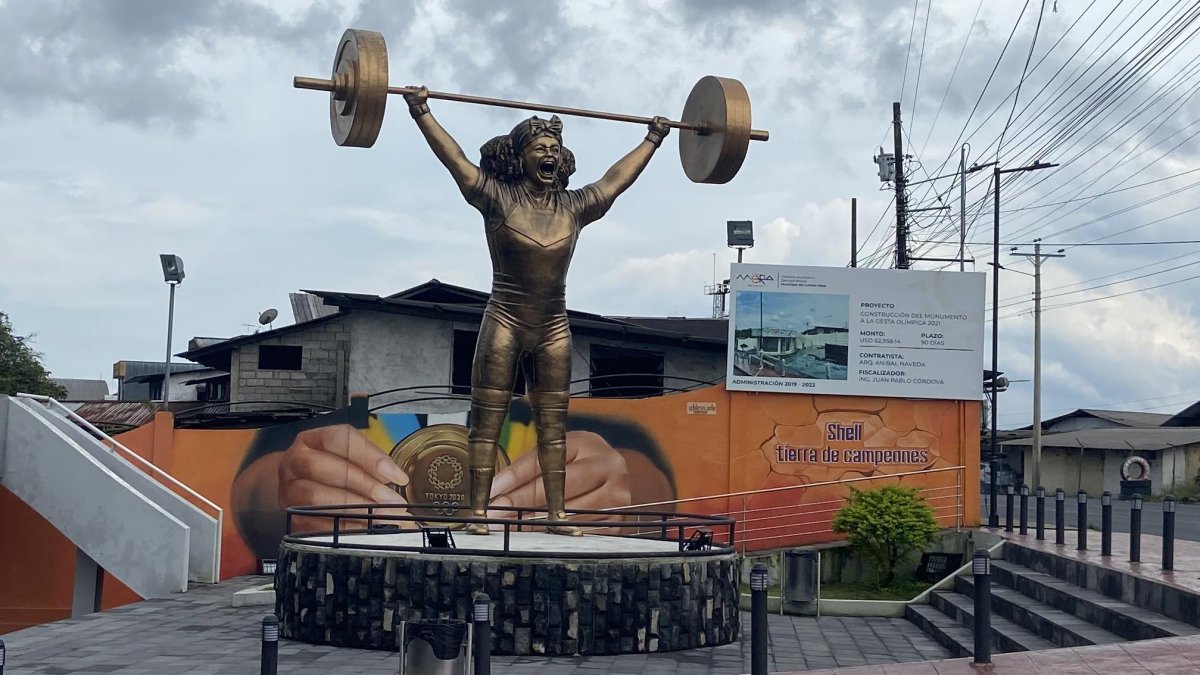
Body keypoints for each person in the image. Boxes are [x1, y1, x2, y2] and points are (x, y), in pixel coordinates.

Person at [403, 85, 670, 535]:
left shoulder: (574, 206)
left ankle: (557, 514)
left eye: (555, 148)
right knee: (486, 425)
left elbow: (615, 181)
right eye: (540, 147)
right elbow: (456, 160)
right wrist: (421, 111)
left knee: (554, 429)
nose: (549, 153)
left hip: (553, 326)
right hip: (504, 319)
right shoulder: (495, 198)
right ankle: (476, 513)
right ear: (520, 157)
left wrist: (653, 139)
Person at [230, 405, 677, 561]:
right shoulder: (350, 419)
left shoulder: (563, 412)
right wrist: (283, 486)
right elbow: (253, 482)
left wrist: (623, 491)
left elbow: (652, 472)